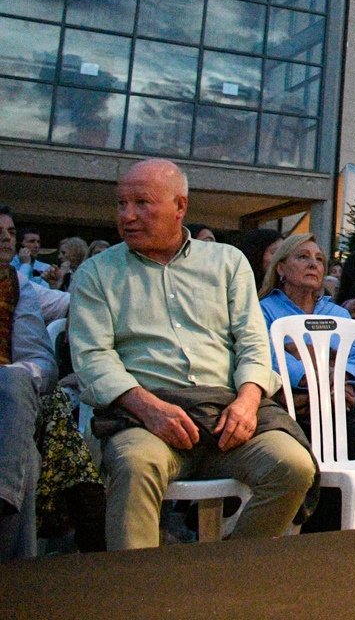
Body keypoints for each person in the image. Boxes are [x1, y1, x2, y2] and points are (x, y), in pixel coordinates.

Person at [68, 159, 316, 550]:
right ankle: (137, 595)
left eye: (142, 203)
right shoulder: (97, 273)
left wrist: (249, 402)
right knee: (135, 465)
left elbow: (253, 343)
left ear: (179, 206)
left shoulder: (227, 262)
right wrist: (149, 409)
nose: (127, 216)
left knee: (293, 466)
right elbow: (93, 358)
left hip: (226, 415)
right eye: (121, 204)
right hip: (145, 418)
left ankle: (230, 572)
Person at [256, 234, 355, 398]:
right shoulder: (263, 311)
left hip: (337, 393)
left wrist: (341, 376)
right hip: (286, 399)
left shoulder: (339, 314)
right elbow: (267, 358)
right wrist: (315, 376)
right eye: (303, 257)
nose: (313, 264)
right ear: (280, 268)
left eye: (319, 260)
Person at [0, 262, 58, 561]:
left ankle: (3, 497)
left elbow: (42, 364)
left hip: (2, 403)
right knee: (25, 459)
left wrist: (15, 376)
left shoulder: (12, 283)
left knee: (14, 380)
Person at [236, 229, 285, 297]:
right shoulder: (237, 290)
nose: (281, 258)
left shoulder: (288, 290)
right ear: (256, 254)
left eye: (284, 253)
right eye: (275, 252)